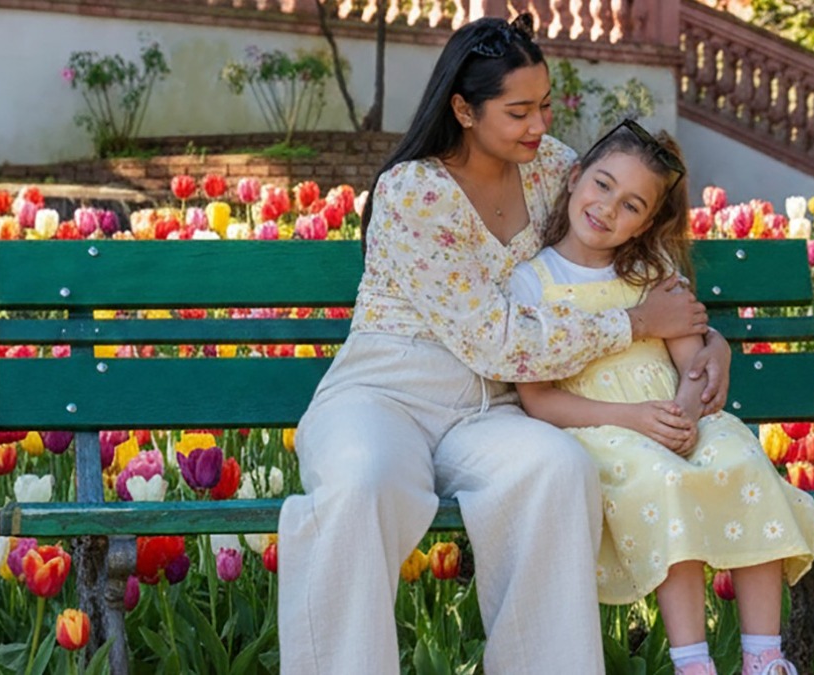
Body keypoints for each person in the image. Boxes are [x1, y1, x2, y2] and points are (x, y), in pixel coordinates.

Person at [277, 15, 733, 675]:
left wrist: (704, 337)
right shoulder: (412, 191)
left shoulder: (552, 169)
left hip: (492, 411)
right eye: (518, 111)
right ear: (463, 109)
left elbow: (637, 263)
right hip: (385, 395)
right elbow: (495, 340)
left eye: (544, 105)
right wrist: (634, 326)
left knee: (555, 468)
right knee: (362, 482)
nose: (539, 125)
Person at [506, 119, 814, 675]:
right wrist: (637, 419)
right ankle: (691, 662)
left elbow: (693, 361)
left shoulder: (653, 273)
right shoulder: (534, 281)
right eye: (601, 185)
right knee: (664, 480)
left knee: (742, 456)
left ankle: (763, 657)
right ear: (575, 178)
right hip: (602, 429)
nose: (606, 208)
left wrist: (687, 414)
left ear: (647, 221)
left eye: (630, 205)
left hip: (676, 413)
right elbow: (539, 400)